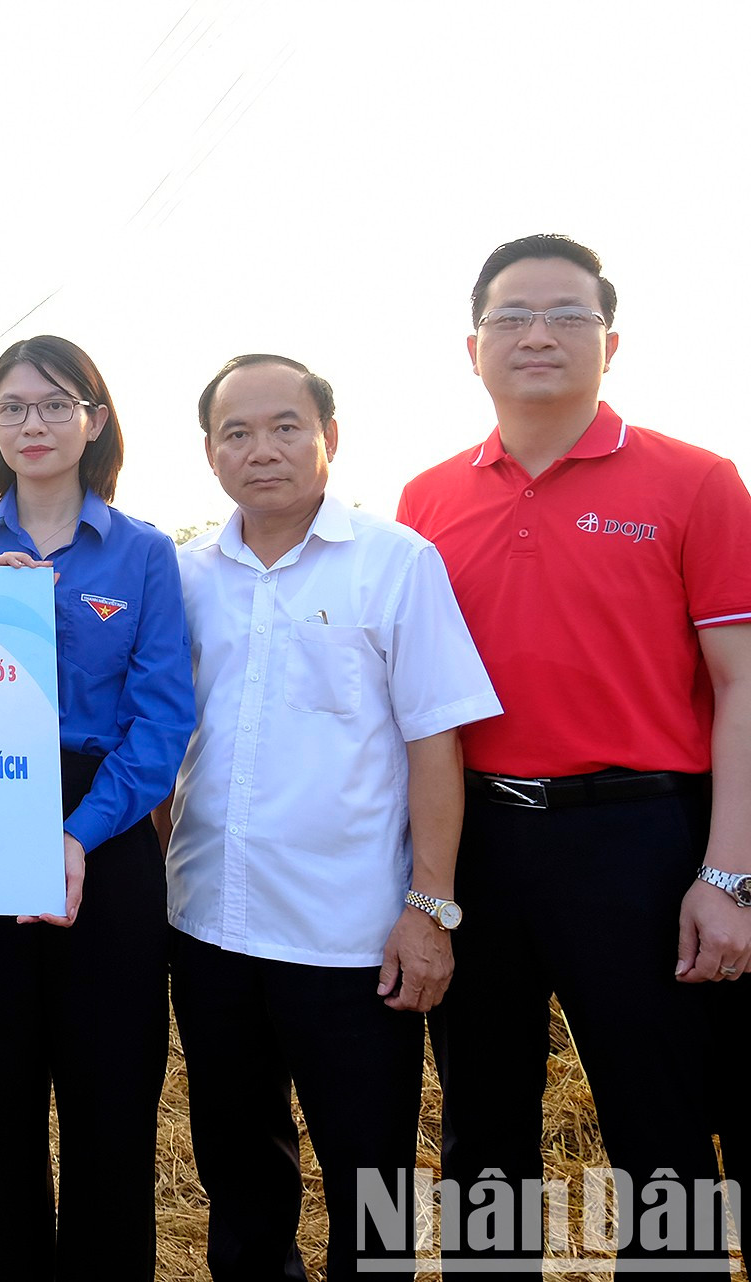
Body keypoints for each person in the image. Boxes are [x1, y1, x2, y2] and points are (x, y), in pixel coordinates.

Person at [398, 234, 751, 1270]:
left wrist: (728, 876)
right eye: (511, 317)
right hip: (481, 845)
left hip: (639, 840)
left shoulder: (698, 482)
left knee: (661, 1126)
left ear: (611, 341)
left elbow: (740, 687)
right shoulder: (425, 502)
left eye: (567, 315)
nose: (537, 335)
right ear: (473, 348)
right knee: (483, 1133)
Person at [162, 354, 500, 1278]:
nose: (260, 450)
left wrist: (430, 909)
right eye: (237, 432)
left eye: (284, 426)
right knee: (237, 1165)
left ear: (330, 439)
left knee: (371, 1177)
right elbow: (163, 740)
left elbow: (437, 743)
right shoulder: (186, 577)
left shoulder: (396, 564)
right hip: (209, 925)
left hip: (350, 936)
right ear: (209, 453)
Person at [0, 334, 195, 1278]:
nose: (31, 424)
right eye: (11, 407)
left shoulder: (146, 554)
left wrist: (77, 835)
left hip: (107, 831)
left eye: (53, 404)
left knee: (110, 1091)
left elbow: (162, 724)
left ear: (95, 421)